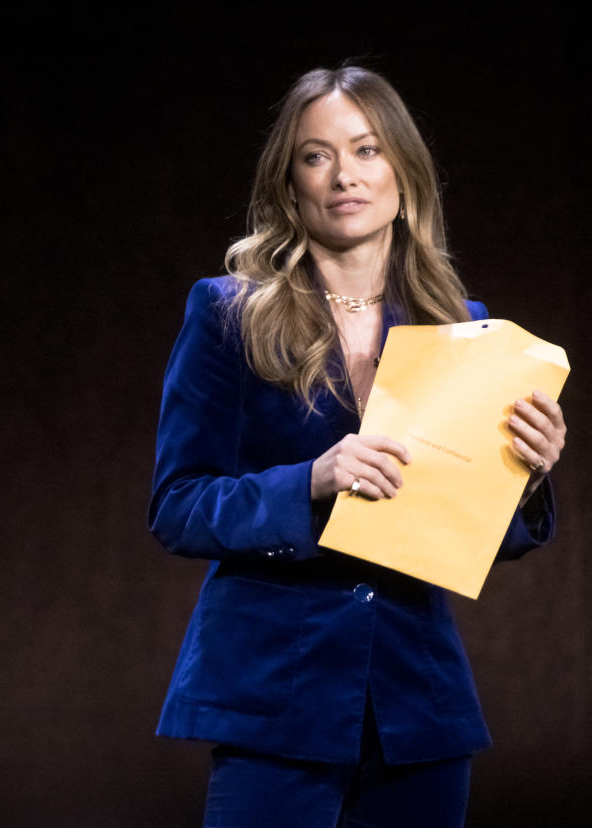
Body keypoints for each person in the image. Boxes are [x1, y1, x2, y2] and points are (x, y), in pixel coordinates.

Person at [148, 64, 567, 827]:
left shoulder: (462, 325)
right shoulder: (227, 313)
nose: (343, 174)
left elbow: (471, 532)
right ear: (288, 183)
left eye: (367, 150)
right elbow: (177, 507)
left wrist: (526, 476)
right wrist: (309, 479)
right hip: (272, 698)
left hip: (416, 707)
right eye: (316, 155)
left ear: (404, 175)